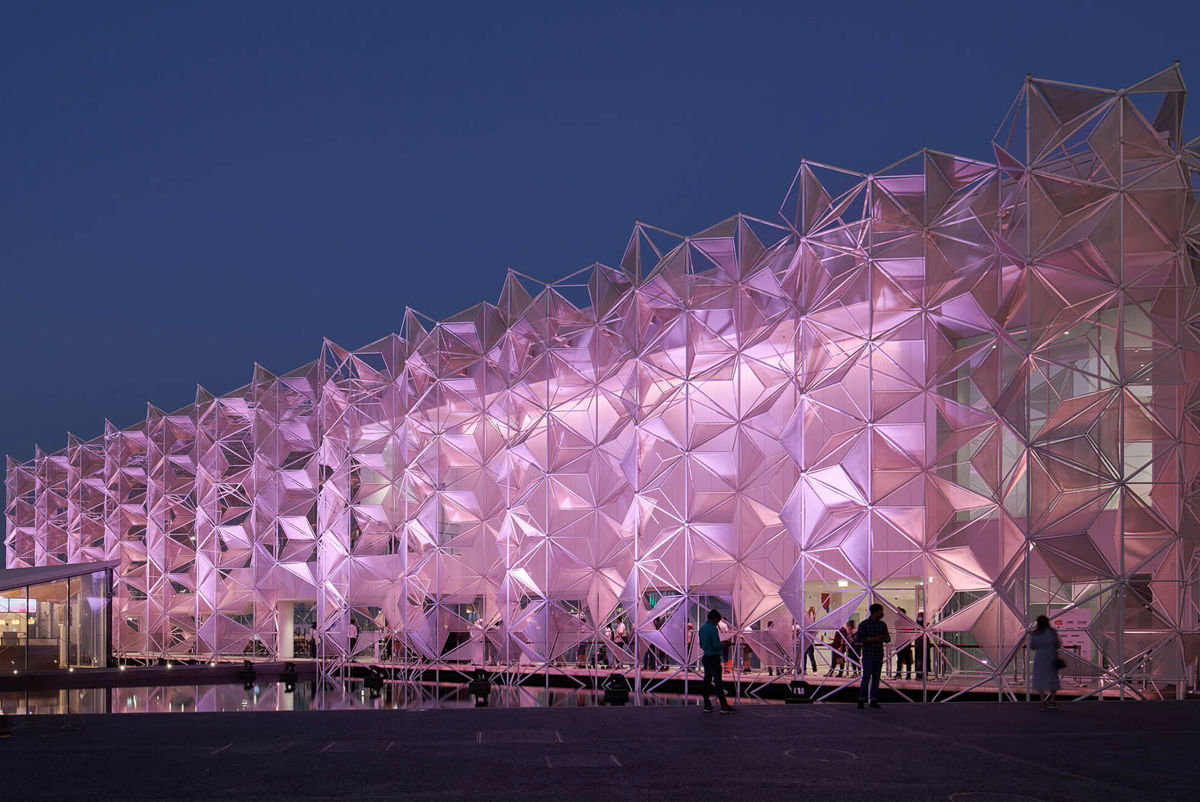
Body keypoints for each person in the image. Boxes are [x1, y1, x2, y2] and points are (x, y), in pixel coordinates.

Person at [698, 609, 735, 713]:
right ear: (714, 618)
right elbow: (716, 644)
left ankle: (707, 704)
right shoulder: (713, 629)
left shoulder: (702, 629)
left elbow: (701, 644)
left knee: (707, 680)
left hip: (706, 656)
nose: (717, 623)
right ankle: (724, 706)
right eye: (718, 620)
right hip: (714, 657)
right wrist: (722, 645)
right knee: (718, 681)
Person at [855, 604, 891, 709]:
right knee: (866, 677)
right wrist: (875, 638)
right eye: (881, 611)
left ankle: (873, 699)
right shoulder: (864, 624)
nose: (882, 613)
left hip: (878, 655)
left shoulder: (882, 625)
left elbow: (887, 639)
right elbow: (859, 638)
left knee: (876, 678)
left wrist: (884, 637)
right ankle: (861, 699)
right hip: (868, 655)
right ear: (876, 612)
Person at [1029, 615, 1062, 710]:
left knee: (1040, 679)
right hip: (1051, 656)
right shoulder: (1052, 632)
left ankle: (1043, 701)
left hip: (1040, 658)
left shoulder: (1035, 633)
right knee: (1052, 678)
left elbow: (1032, 646)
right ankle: (1052, 701)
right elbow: (1058, 644)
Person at [893, 607, 913, 680]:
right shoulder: (898, 622)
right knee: (900, 659)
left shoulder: (908, 622)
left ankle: (908, 674)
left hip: (906, 642)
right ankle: (899, 673)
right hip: (900, 642)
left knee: (907, 659)